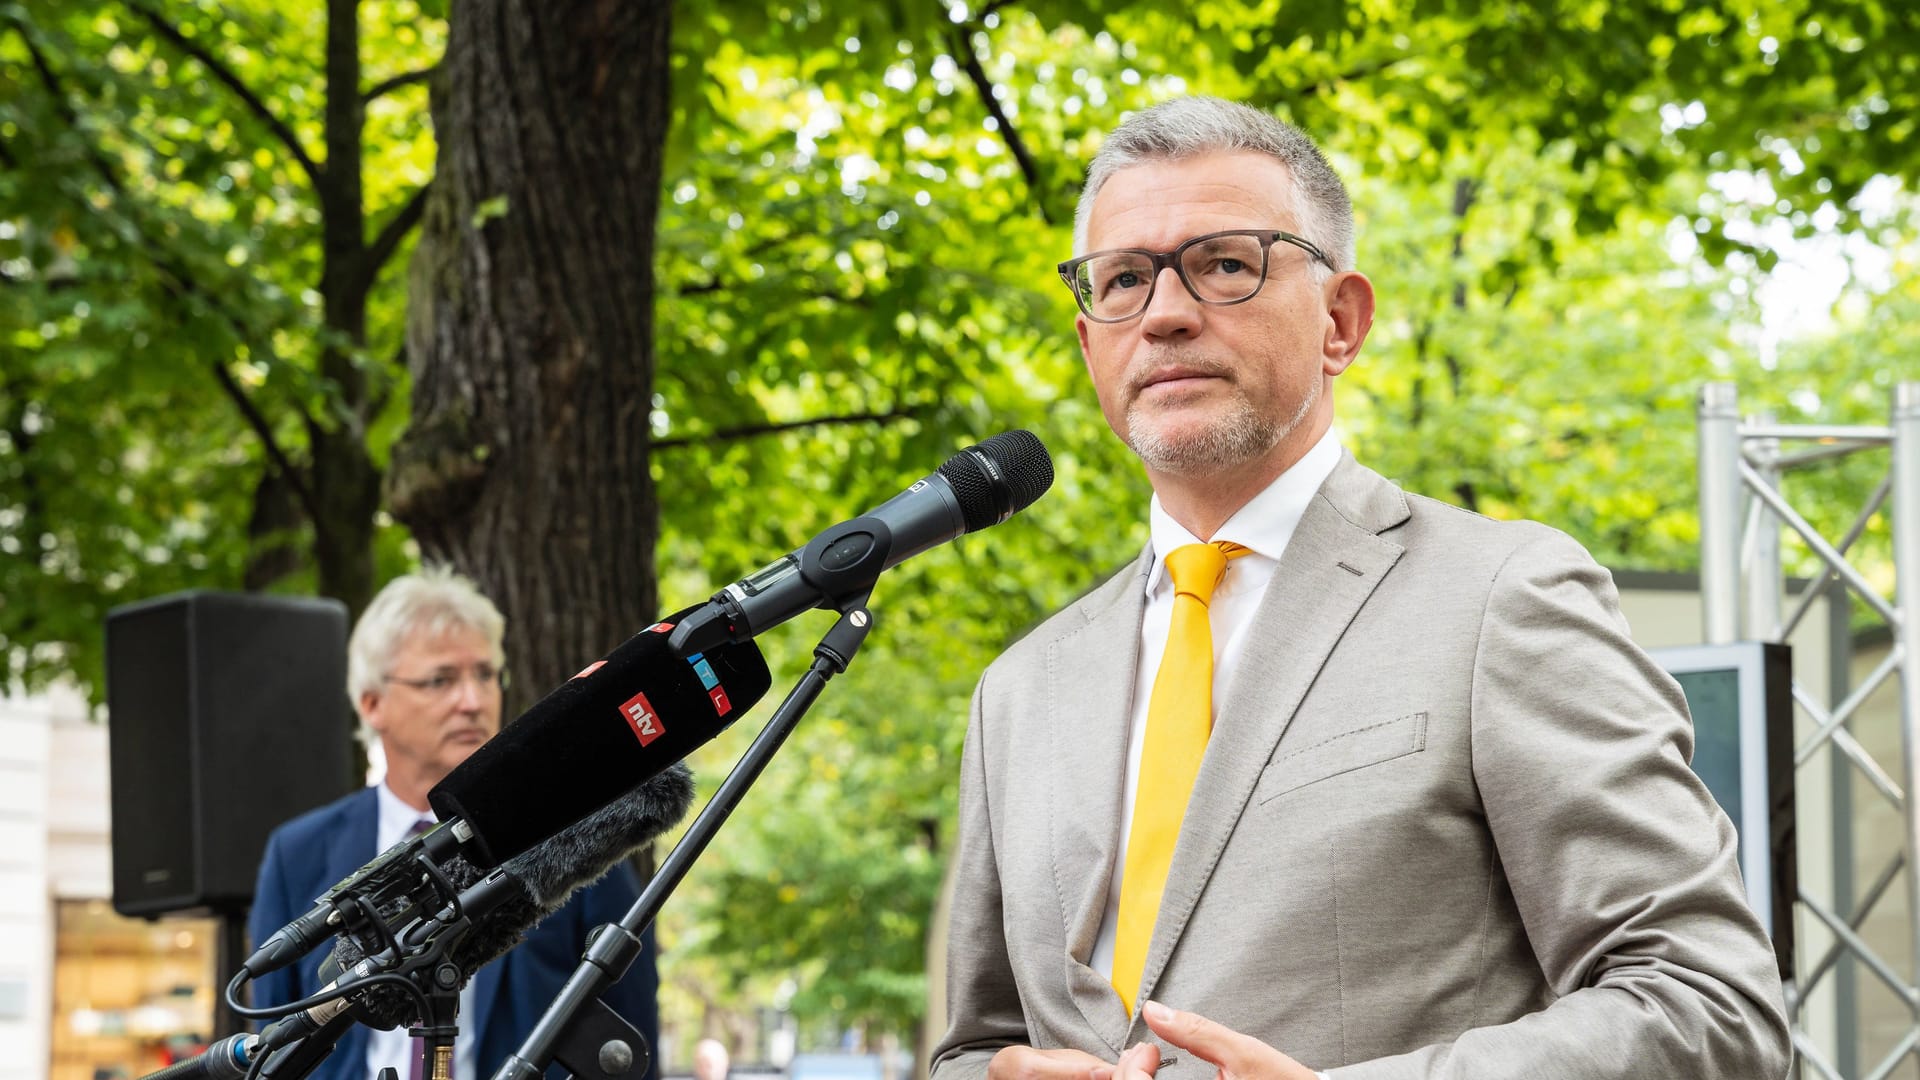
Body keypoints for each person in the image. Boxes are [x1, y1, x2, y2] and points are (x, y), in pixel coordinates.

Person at [929, 97, 1790, 1080]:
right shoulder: (1020, 691)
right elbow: (975, 1047)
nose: (1164, 312)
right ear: (1092, 346)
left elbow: (1713, 1006)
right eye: (1123, 279)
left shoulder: (1502, 596)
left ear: (1341, 320)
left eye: (1223, 263)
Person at [249, 567, 662, 1080]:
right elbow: (265, 1048)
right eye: (441, 679)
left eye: (486, 675)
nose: (473, 701)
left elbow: (630, 1040)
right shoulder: (298, 853)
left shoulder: (573, 830)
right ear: (372, 703)